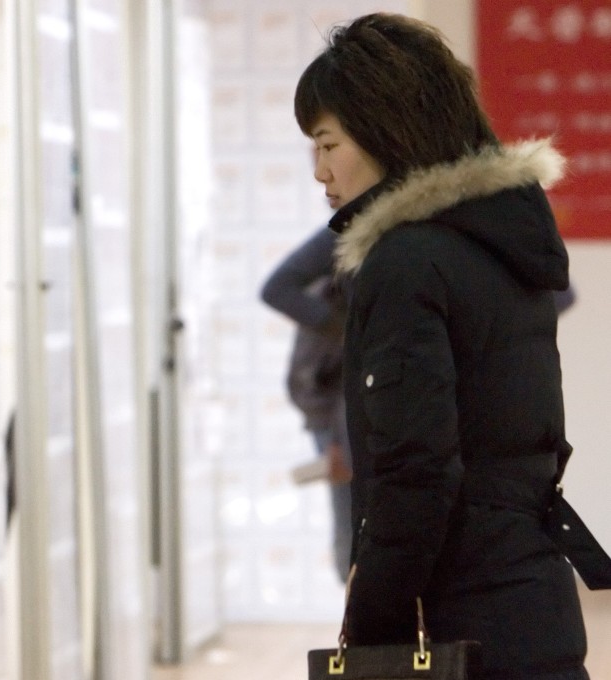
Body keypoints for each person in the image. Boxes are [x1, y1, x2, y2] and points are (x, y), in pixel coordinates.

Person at [294, 13, 591, 679]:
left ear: (380, 129)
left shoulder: (406, 263)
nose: (320, 172)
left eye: (326, 143)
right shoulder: (503, 247)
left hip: (463, 626)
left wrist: (370, 627)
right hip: (535, 604)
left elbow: (417, 475)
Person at [260, 225, 352, 583]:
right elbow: (275, 289)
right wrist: (345, 327)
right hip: (334, 414)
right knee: (351, 539)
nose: (322, 173)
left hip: (341, 413)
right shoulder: (345, 236)